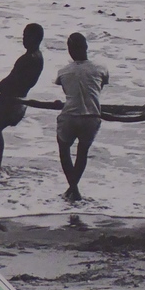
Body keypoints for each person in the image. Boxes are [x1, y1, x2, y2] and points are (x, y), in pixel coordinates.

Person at [0, 23, 44, 174]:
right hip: (20, 103)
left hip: (10, 104)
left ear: (36, 38)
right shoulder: (39, 57)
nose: (23, 39)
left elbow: (9, 81)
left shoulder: (27, 59)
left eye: (26, 36)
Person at [54, 32, 109, 201]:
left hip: (70, 115)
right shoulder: (100, 69)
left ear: (69, 50)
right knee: (82, 152)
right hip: (92, 116)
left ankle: (73, 188)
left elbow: (67, 90)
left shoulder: (63, 72)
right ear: (86, 47)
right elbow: (98, 88)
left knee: (64, 149)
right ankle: (73, 189)